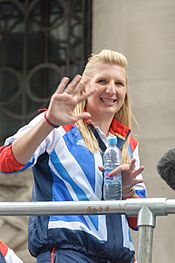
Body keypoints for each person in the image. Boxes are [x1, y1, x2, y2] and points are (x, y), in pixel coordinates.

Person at [0, 49, 146, 263]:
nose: (111, 90)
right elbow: (7, 162)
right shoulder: (57, 126)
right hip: (69, 253)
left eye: (119, 83)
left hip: (120, 257)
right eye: (102, 81)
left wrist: (127, 191)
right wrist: (49, 121)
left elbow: (138, 220)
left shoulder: (129, 144)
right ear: (85, 87)